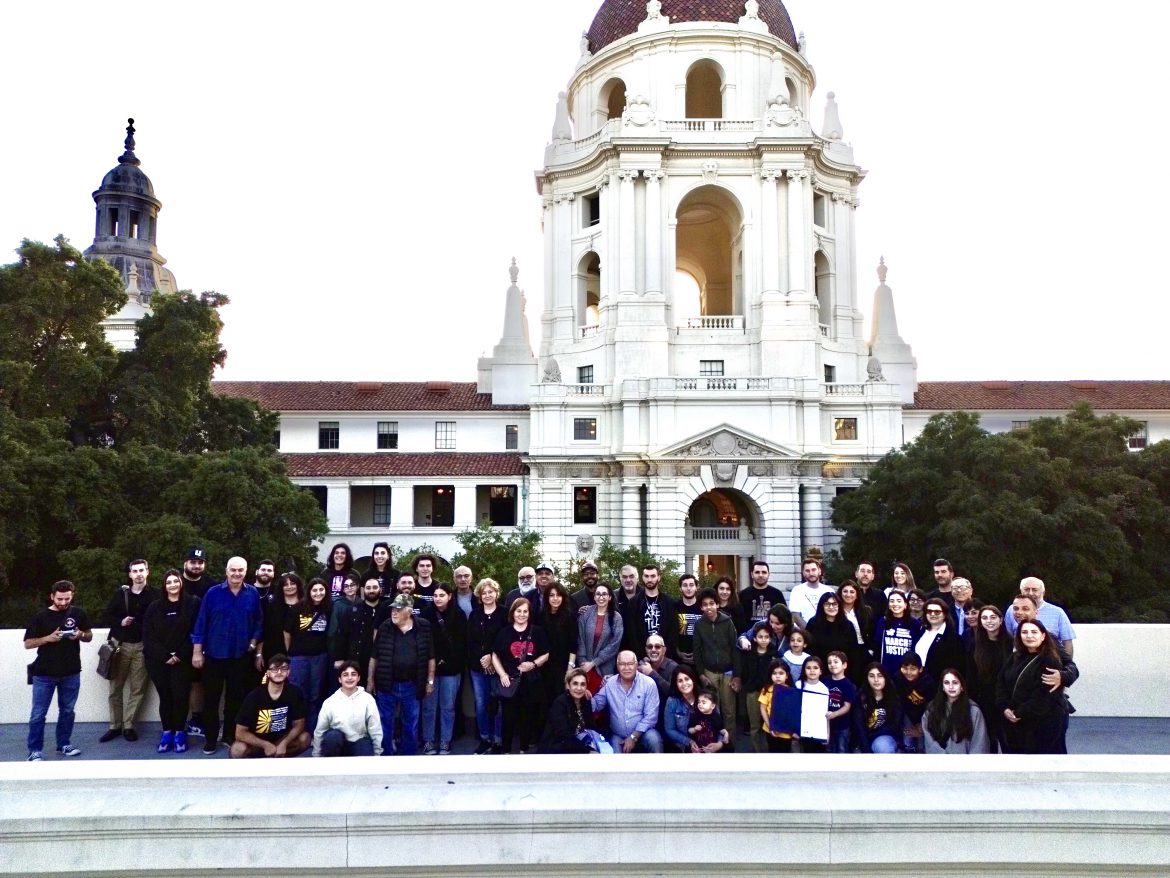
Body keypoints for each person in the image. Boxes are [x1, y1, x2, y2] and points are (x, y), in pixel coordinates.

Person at [190, 556, 264, 755]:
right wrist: (197, 651)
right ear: (226, 571)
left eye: (241, 570)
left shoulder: (253, 594)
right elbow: (201, 623)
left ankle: (229, 735)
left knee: (235, 700)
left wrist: (254, 642)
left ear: (246, 571)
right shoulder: (213, 593)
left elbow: (258, 622)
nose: (237, 573)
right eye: (233, 570)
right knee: (211, 700)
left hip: (240, 657)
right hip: (214, 655)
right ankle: (211, 738)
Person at [23, 580, 92, 761]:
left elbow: (89, 635)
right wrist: (48, 638)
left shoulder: (78, 613)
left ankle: (64, 744)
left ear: (72, 596)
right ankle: (35, 750)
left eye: (67, 599)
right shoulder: (40, 617)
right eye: (60, 599)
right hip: (44, 673)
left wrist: (80, 635)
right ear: (52, 596)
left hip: (71, 671)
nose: (63, 602)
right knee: (39, 713)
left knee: (68, 710)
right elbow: (28, 643)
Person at [100, 558, 159, 743]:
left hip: (142, 647)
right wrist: (120, 621)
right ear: (130, 574)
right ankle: (114, 726)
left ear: (148, 572)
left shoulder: (156, 595)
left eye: (142, 570)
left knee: (138, 689)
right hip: (120, 646)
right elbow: (107, 615)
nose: (139, 574)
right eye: (135, 571)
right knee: (115, 688)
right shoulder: (121, 594)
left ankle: (129, 725)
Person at [368, 593, 434, 756]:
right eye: (393, 609)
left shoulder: (423, 626)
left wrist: (430, 681)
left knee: (410, 724)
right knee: (385, 723)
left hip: (412, 685)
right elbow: (374, 655)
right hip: (386, 684)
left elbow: (431, 657)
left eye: (398, 609)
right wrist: (370, 680)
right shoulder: (385, 626)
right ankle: (386, 755)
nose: (394, 613)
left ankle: (408, 758)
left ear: (409, 611)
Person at [142, 569, 200, 753]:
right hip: (159, 661)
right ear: (164, 586)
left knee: (180, 697)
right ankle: (167, 732)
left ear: (181, 583)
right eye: (169, 582)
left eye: (176, 581)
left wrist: (179, 655)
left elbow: (196, 632)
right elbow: (148, 636)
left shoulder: (192, 604)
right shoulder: (154, 607)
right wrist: (165, 655)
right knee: (165, 697)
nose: (173, 585)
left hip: (183, 659)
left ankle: (180, 733)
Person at [996, 619, 1066, 754]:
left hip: (1041, 725)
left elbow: (1044, 696)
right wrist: (1004, 707)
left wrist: (1018, 713)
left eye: (1034, 632)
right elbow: (1001, 683)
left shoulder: (1049, 660)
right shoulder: (1015, 657)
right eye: (1024, 632)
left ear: (1043, 636)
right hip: (1014, 722)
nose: (1029, 636)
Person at [492, 597, 550, 754]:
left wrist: (533, 664)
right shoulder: (504, 632)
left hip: (530, 682)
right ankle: (505, 750)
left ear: (529, 613)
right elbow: (495, 656)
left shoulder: (537, 631)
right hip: (510, 682)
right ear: (513, 612)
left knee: (527, 718)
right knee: (508, 718)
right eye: (519, 611)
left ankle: (523, 749)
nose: (522, 614)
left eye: (525, 611)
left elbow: (546, 654)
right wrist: (502, 674)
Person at [230, 654, 310, 758]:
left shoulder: (295, 693)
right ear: (268, 673)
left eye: (283, 669)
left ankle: (279, 759)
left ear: (288, 672)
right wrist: (265, 745)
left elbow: (299, 724)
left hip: (281, 740)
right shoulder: (254, 696)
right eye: (275, 669)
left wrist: (284, 743)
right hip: (258, 742)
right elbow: (240, 733)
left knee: (305, 738)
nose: (279, 672)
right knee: (237, 749)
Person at [420, 582, 466, 755]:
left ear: (449, 596)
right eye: (435, 595)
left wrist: (447, 661)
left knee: (448, 707)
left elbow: (461, 644)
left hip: (451, 669)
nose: (438, 599)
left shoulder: (459, 615)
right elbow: (423, 642)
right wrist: (433, 661)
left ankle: (446, 741)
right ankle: (428, 741)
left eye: (442, 595)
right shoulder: (426, 614)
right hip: (430, 668)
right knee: (429, 707)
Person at [692, 587, 741, 741]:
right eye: (705, 604)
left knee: (729, 710)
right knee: (713, 709)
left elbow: (735, 649)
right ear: (701, 607)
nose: (709, 607)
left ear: (718, 604)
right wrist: (701, 674)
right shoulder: (699, 624)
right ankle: (713, 742)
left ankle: (729, 742)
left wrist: (737, 675)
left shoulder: (727, 622)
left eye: (712, 603)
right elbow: (697, 651)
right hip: (709, 672)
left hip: (728, 672)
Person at [284, 577, 332, 735]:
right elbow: (287, 631)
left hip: (319, 657)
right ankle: (296, 730)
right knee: (298, 693)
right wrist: (289, 652)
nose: (318, 593)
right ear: (309, 591)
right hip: (298, 657)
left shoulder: (329, 608)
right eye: (314, 590)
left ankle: (312, 731)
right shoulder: (298, 607)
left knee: (315, 695)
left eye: (321, 590)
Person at [590, 650, 663, 753]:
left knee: (654, 739)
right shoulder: (610, 683)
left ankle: (659, 769)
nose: (626, 668)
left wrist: (633, 737)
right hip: (618, 735)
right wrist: (584, 695)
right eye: (622, 664)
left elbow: (651, 717)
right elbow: (597, 704)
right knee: (615, 759)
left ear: (636, 664)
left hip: (643, 733)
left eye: (630, 664)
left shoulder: (649, 684)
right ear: (617, 665)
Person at [467, 577, 507, 754]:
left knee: (498, 704)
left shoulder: (505, 613)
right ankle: (484, 738)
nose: (488, 595)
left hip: (499, 667)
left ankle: (498, 740)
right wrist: (483, 659)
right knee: (481, 703)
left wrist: (491, 657)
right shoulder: (474, 614)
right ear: (479, 595)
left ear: (496, 593)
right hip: (478, 667)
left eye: (491, 591)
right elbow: (470, 641)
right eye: (484, 592)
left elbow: (506, 638)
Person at [967, 604, 1013, 752]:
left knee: (1007, 740)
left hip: (1007, 700)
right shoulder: (975, 644)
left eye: (993, 617)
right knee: (988, 741)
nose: (989, 621)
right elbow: (971, 674)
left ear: (1001, 620)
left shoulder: (1011, 642)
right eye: (984, 618)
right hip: (984, 700)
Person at [313, 661, 383, 757]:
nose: (350, 678)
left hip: (359, 743)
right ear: (339, 679)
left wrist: (377, 754)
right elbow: (320, 731)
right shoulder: (330, 702)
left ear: (358, 678)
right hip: (339, 744)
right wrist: (316, 757)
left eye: (353, 674)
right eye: (345, 675)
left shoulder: (368, 700)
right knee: (332, 737)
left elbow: (375, 729)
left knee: (364, 746)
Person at [331, 575, 384, 685]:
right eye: (368, 588)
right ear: (364, 590)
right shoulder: (353, 611)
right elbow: (342, 635)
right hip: (358, 660)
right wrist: (339, 658)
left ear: (380, 590)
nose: (371, 590)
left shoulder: (386, 610)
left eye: (375, 587)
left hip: (381, 661)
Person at [923, 669, 990, 754]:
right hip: (938, 763)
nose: (951, 687)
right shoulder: (931, 709)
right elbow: (929, 739)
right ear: (942, 687)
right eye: (947, 683)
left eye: (955, 682)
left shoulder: (973, 711)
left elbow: (979, 742)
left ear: (961, 686)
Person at [1005, 577, 1076, 656]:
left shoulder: (1057, 612)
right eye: (1026, 589)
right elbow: (1008, 638)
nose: (1030, 593)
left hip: (1050, 662)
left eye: (1035, 590)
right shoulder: (1011, 610)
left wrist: (1066, 666)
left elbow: (1067, 642)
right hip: (1022, 662)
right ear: (1021, 591)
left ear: (1043, 592)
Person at [537, 667, 598, 754]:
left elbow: (591, 728)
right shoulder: (560, 703)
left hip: (578, 746)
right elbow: (564, 736)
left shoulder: (586, 702)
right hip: (557, 749)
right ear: (568, 685)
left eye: (582, 684)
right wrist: (587, 751)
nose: (579, 688)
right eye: (575, 684)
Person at [575, 582, 624, 687]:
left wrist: (594, 663)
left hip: (605, 668)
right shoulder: (586, 614)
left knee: (602, 699)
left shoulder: (616, 617)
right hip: (584, 666)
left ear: (610, 597)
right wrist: (583, 662)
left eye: (604, 594)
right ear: (594, 596)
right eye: (598, 594)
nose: (601, 597)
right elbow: (580, 639)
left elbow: (614, 645)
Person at [538, 581, 578, 710]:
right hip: (544, 668)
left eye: (558, 595)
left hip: (563, 667)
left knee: (562, 702)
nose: (555, 599)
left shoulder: (569, 617)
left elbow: (573, 644)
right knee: (545, 703)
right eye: (551, 595)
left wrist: (570, 668)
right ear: (546, 598)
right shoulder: (540, 618)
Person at [740, 622, 778, 752]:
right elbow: (744, 671)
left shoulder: (774, 653)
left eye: (766, 637)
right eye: (760, 637)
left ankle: (768, 751)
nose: (763, 640)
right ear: (755, 638)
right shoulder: (749, 652)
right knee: (755, 725)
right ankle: (756, 751)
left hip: (769, 693)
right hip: (752, 691)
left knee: (768, 723)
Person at [626, 564, 678, 655]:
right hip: (642, 657)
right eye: (646, 576)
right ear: (642, 577)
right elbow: (632, 633)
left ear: (659, 577)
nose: (649, 579)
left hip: (665, 656)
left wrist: (665, 655)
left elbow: (673, 632)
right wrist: (642, 656)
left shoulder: (669, 602)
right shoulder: (634, 602)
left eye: (653, 576)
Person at [915, 596, 966, 682]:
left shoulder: (954, 638)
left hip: (940, 685)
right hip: (917, 682)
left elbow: (957, 668)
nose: (933, 614)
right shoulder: (920, 632)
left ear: (945, 614)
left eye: (937, 612)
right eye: (929, 611)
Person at [855, 663, 903, 754]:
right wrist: (866, 750)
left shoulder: (894, 697)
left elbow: (894, 725)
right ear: (867, 678)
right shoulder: (861, 697)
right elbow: (859, 726)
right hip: (864, 738)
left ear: (885, 678)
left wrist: (874, 737)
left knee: (882, 746)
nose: (876, 680)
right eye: (872, 676)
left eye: (880, 676)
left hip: (885, 737)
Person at [895, 653, 935, 754]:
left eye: (913, 669)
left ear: (920, 669)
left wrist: (921, 728)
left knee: (922, 747)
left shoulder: (927, 682)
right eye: (905, 668)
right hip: (907, 714)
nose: (908, 672)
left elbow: (932, 708)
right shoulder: (898, 678)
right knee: (908, 744)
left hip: (925, 717)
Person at [836, 580, 874, 685]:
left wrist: (870, 650)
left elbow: (871, 632)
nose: (848, 594)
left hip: (862, 652)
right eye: (845, 591)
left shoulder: (866, 611)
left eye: (852, 592)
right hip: (844, 652)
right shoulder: (836, 612)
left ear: (857, 595)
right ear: (840, 593)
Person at [874, 591, 921, 678]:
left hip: (907, 671)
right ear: (888, 604)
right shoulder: (882, 622)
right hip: (886, 670)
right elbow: (877, 646)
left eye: (899, 601)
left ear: (905, 605)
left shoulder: (915, 624)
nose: (895, 604)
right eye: (892, 601)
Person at [804, 592, 855, 669]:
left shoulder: (847, 625)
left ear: (839, 606)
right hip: (818, 671)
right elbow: (808, 650)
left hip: (841, 672)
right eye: (827, 604)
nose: (831, 607)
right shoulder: (813, 624)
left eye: (834, 604)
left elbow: (853, 652)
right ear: (822, 606)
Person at [262, 572, 302, 669]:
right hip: (275, 652)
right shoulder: (273, 606)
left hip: (300, 653)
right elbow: (266, 630)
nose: (289, 587)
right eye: (285, 585)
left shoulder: (305, 605)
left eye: (292, 583)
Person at [758, 661, 797, 752]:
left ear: (787, 676)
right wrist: (771, 726)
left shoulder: (792, 691)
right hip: (770, 730)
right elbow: (763, 708)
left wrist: (793, 730)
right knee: (773, 752)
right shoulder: (767, 689)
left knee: (785, 753)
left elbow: (793, 712)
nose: (777, 676)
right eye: (774, 673)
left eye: (781, 673)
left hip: (786, 733)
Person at [825, 651, 858, 753]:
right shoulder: (825, 680)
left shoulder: (848, 685)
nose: (832, 664)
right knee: (828, 750)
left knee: (841, 749)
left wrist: (834, 714)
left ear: (844, 665)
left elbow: (847, 706)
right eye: (829, 662)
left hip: (842, 726)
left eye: (835, 662)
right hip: (827, 724)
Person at [788, 558, 836, 629]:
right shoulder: (797, 590)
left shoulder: (829, 591)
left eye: (813, 570)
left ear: (819, 571)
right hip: (805, 633)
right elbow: (795, 615)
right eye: (807, 571)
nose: (811, 573)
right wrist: (809, 631)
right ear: (803, 573)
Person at [664, 665, 702, 753]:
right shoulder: (672, 701)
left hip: (708, 742)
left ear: (693, 679)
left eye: (687, 679)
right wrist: (689, 742)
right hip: (685, 745)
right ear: (676, 684)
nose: (684, 683)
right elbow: (670, 730)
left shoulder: (705, 696)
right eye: (680, 681)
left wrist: (719, 742)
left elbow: (717, 723)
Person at [739, 561, 786, 626]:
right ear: (752, 574)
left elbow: (784, 618)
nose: (760, 575)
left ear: (769, 574)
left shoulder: (777, 594)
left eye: (764, 572)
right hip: (749, 635)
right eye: (757, 572)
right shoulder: (743, 595)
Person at [673, 573, 702, 665]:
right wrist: (678, 653)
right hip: (680, 658)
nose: (688, 588)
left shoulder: (703, 607)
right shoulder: (674, 607)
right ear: (680, 588)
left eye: (691, 585)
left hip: (701, 658)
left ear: (696, 587)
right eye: (685, 585)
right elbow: (671, 632)